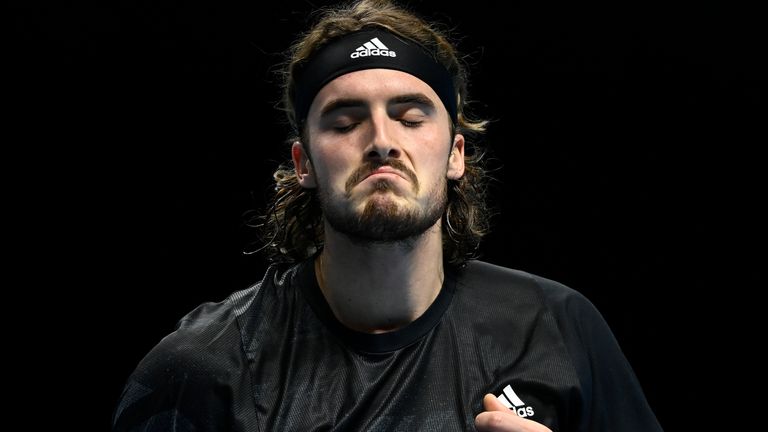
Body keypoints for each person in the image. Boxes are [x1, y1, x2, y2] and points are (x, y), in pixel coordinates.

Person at [113, 0, 662, 430]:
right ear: (303, 163)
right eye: (345, 121)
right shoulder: (204, 369)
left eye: (410, 116)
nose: (381, 141)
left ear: (454, 154)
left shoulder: (559, 327)